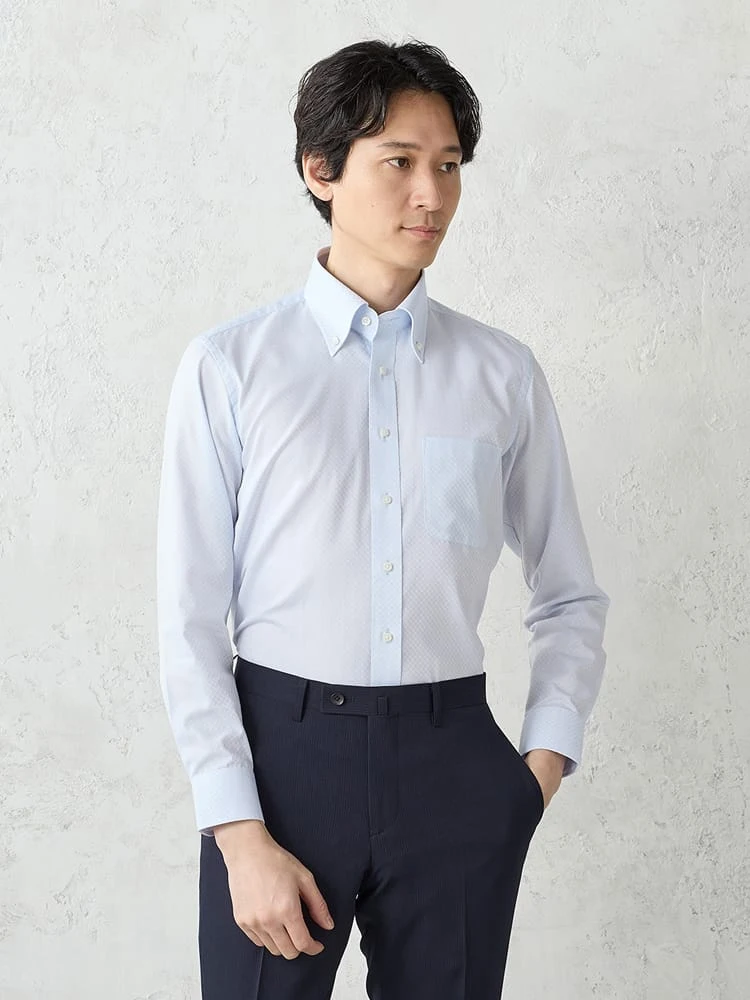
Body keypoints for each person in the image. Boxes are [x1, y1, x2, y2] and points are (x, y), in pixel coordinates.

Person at [156, 37, 610, 1000]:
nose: (431, 195)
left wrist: (533, 774)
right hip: (284, 765)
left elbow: (569, 593)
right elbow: (189, 620)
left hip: (455, 766)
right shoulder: (231, 368)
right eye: (398, 162)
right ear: (320, 170)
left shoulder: (501, 374)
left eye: (449, 165)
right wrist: (237, 832)